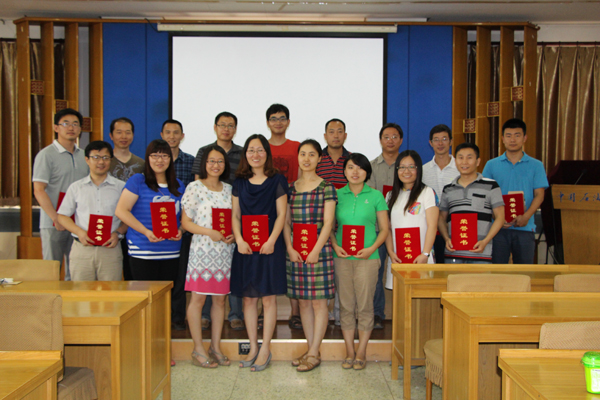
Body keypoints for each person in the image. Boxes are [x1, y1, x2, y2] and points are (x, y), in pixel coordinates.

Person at [230, 134, 288, 372]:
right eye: (251, 150)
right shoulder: (239, 182)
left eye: (260, 150)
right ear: (245, 154)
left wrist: (272, 240)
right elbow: (235, 215)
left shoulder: (277, 180)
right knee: (248, 298)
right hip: (245, 247)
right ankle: (253, 346)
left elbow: (282, 214)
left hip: (270, 247)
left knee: (268, 298)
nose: (256, 154)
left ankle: (266, 348)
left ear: (267, 153)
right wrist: (239, 240)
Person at [330, 153, 389, 370]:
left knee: (365, 306)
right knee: (346, 306)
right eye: (350, 167)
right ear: (344, 171)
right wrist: (335, 246)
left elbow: (385, 229)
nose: (355, 172)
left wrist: (372, 249)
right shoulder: (336, 195)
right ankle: (349, 351)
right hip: (342, 259)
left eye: (360, 168)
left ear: (367, 172)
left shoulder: (376, 196)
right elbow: (329, 227)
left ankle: (362, 351)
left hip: (368, 259)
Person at [284, 139, 337, 372]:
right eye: (303, 154)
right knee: (303, 301)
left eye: (312, 154)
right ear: (298, 157)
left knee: (318, 302)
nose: (307, 159)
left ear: (320, 158)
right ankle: (309, 348)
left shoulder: (327, 187)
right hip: (296, 252)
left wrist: (315, 250)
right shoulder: (290, 188)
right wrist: (289, 248)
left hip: (319, 251)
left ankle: (315, 352)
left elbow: (328, 222)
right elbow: (286, 222)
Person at [181, 144, 235, 368]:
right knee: (198, 299)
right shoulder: (195, 187)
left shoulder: (230, 189)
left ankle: (215, 347)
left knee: (220, 300)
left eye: (220, 161)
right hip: (202, 252)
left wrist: (233, 234)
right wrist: (209, 232)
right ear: (204, 163)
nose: (216, 165)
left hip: (224, 253)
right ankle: (198, 349)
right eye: (211, 161)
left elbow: (234, 220)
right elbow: (186, 223)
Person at [191, 112, 245, 332]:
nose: (226, 129)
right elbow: (199, 185)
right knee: (204, 286)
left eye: (230, 125)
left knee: (230, 275)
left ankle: (235, 315)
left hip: (231, 211)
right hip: (206, 223)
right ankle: (204, 316)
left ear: (235, 129)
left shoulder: (242, 152)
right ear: (215, 127)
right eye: (222, 125)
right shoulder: (204, 151)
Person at [57, 141, 127, 281]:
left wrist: (118, 233)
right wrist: (80, 232)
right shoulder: (76, 187)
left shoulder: (122, 187)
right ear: (87, 160)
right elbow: (62, 216)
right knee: (81, 292)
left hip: (110, 250)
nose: (101, 162)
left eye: (105, 158)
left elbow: (130, 217)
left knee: (111, 293)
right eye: (96, 157)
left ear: (111, 160)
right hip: (82, 249)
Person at [115, 139, 184, 280]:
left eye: (164, 156)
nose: (160, 160)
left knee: (167, 293)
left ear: (170, 159)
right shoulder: (138, 181)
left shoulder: (178, 185)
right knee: (145, 292)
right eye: (155, 155)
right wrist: (146, 232)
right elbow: (121, 211)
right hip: (143, 249)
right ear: (148, 158)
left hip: (171, 251)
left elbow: (185, 217)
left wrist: (181, 230)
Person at [33, 108, 89, 281]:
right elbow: (39, 190)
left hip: (78, 223)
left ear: (80, 129)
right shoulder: (46, 155)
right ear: (56, 127)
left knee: (76, 271)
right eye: (66, 124)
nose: (71, 128)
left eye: (75, 124)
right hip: (53, 222)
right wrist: (56, 217)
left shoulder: (85, 156)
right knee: (51, 271)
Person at [482, 118, 548, 264]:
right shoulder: (491, 165)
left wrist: (526, 216)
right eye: (508, 135)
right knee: (497, 271)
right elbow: (485, 195)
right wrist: (496, 215)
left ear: (524, 138)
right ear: (502, 139)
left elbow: (539, 195)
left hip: (525, 227)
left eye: (517, 135)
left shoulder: (536, 165)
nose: (512, 140)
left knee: (524, 272)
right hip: (497, 229)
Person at [265, 103, 302, 330]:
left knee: (292, 258)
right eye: (273, 118)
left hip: (293, 207)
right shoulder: (262, 147)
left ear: (288, 122)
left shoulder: (297, 147)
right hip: (266, 209)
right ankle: (263, 310)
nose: (278, 122)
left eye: (282, 118)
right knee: (264, 257)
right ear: (267, 122)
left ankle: (295, 312)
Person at [438, 142, 504, 264]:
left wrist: (485, 241)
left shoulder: (491, 186)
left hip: (481, 254)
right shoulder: (448, 189)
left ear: (478, 161)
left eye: (469, 157)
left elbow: (500, 217)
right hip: (453, 254)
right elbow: (441, 218)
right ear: (455, 161)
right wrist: (446, 238)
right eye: (460, 157)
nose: (464, 162)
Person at [367, 122, 403, 330]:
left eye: (395, 137)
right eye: (386, 137)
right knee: (377, 271)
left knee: (405, 270)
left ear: (401, 140)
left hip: (405, 227)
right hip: (379, 229)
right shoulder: (371, 167)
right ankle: (377, 313)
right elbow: (372, 199)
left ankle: (404, 313)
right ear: (380, 140)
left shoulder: (407, 165)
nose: (390, 140)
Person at [384, 150, 439, 289]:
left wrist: (425, 253)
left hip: (421, 258)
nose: (406, 171)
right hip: (398, 258)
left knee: (421, 293)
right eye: (402, 167)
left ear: (418, 169)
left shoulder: (427, 192)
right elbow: (387, 228)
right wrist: (391, 252)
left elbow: (432, 226)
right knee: (399, 295)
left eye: (411, 167)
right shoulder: (390, 196)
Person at [161, 119, 195, 331]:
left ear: (182, 136)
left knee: (180, 275)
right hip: (158, 229)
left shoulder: (191, 162)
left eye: (176, 133)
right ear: (162, 135)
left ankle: (177, 317)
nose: (172, 136)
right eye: (168, 132)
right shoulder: (153, 162)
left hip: (184, 229)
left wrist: (183, 227)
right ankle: (159, 316)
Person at [107, 117, 145, 281]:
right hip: (110, 224)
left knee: (132, 274)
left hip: (134, 224)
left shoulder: (141, 163)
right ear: (111, 135)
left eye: (128, 132)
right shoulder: (104, 161)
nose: (124, 136)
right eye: (119, 132)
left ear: (133, 135)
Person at [422, 124, 460, 263]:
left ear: (451, 141)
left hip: (455, 226)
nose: (440, 143)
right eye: (436, 140)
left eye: (444, 139)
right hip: (430, 227)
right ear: (430, 143)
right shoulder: (423, 170)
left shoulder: (460, 168)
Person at [316, 118, 351, 189]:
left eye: (340, 132)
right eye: (331, 132)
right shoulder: (317, 159)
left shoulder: (352, 159)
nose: (336, 136)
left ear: (345, 136)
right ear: (325, 136)